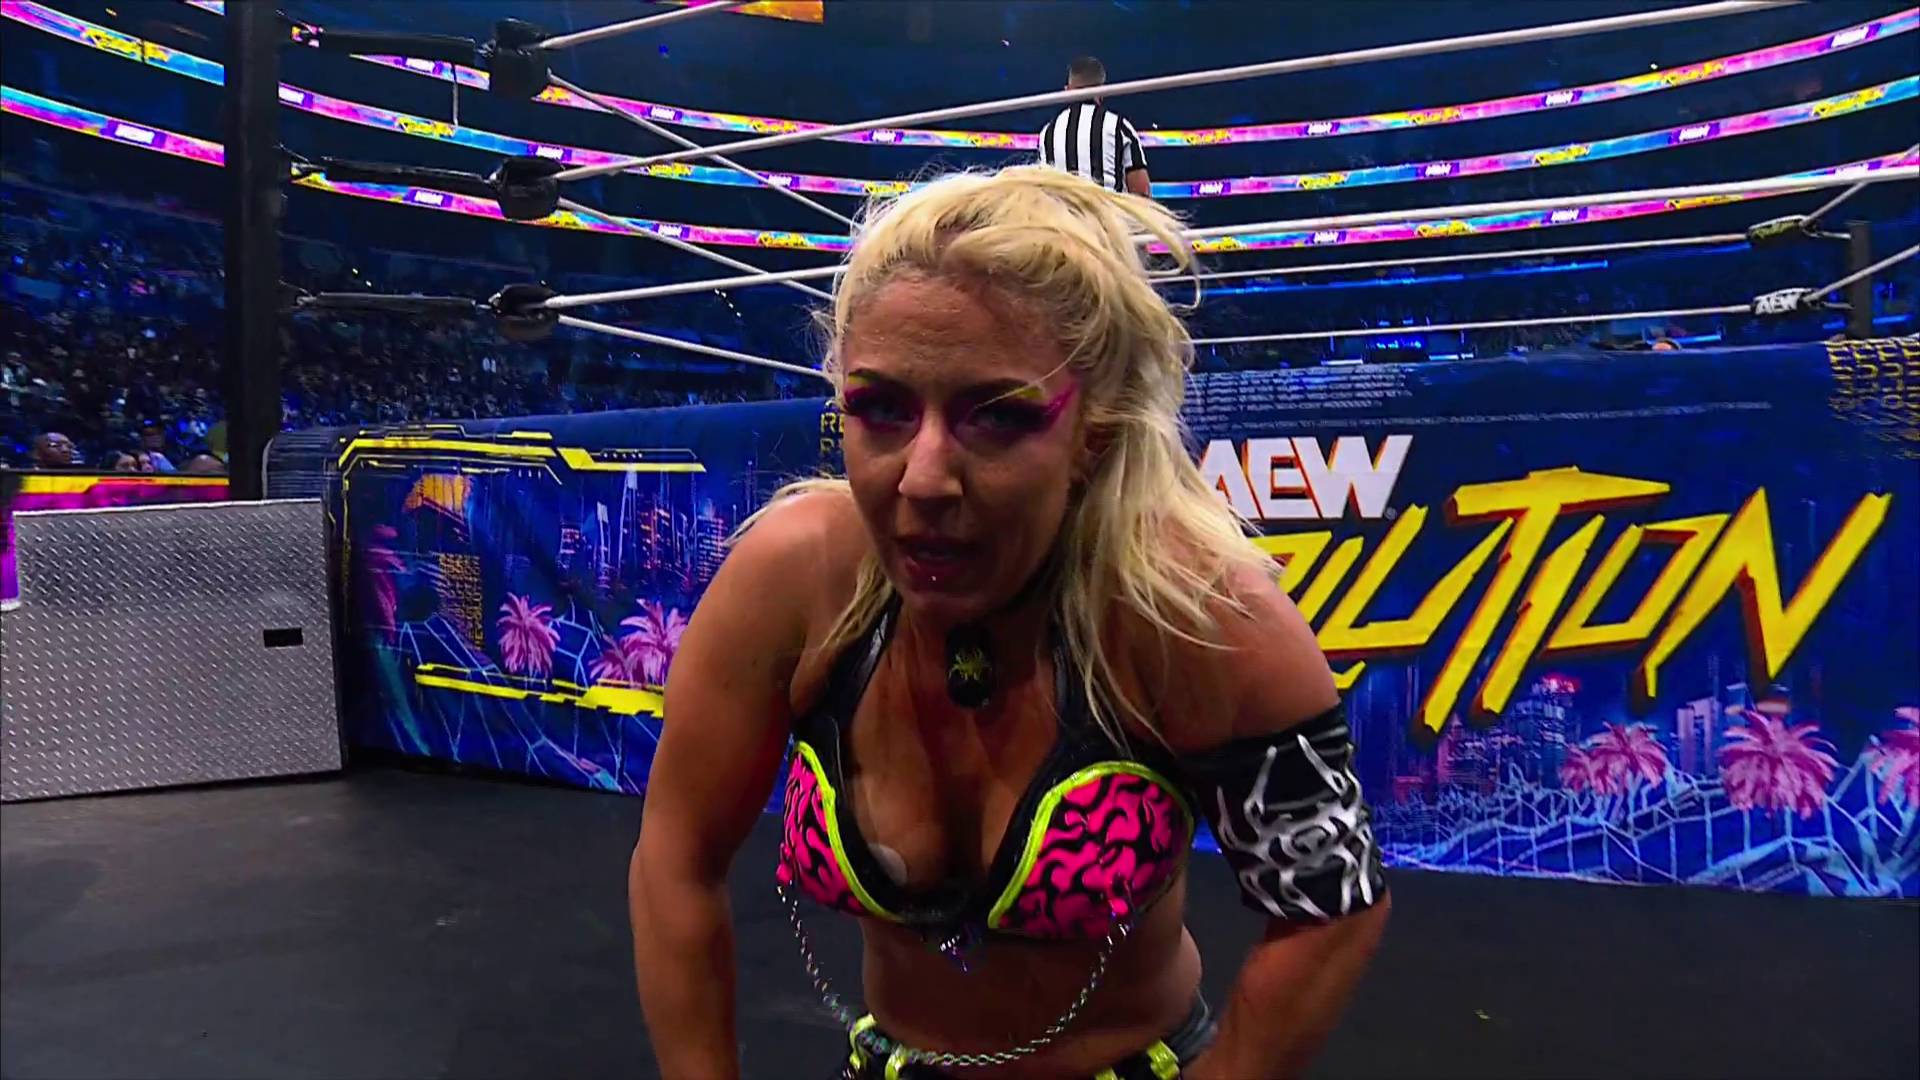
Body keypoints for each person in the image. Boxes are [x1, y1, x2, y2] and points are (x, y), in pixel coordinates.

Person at [631, 166, 1389, 1080]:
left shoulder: (1190, 612)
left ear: (1092, 436)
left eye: (995, 418)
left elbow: (1331, 903)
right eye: (882, 409)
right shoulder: (796, 580)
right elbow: (675, 858)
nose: (924, 478)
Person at [1037, 57, 1153, 197]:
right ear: (1102, 92)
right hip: (1107, 209)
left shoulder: (1048, 132)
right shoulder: (1119, 127)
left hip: (1061, 210)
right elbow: (1142, 192)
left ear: (1067, 91)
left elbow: (1043, 192)